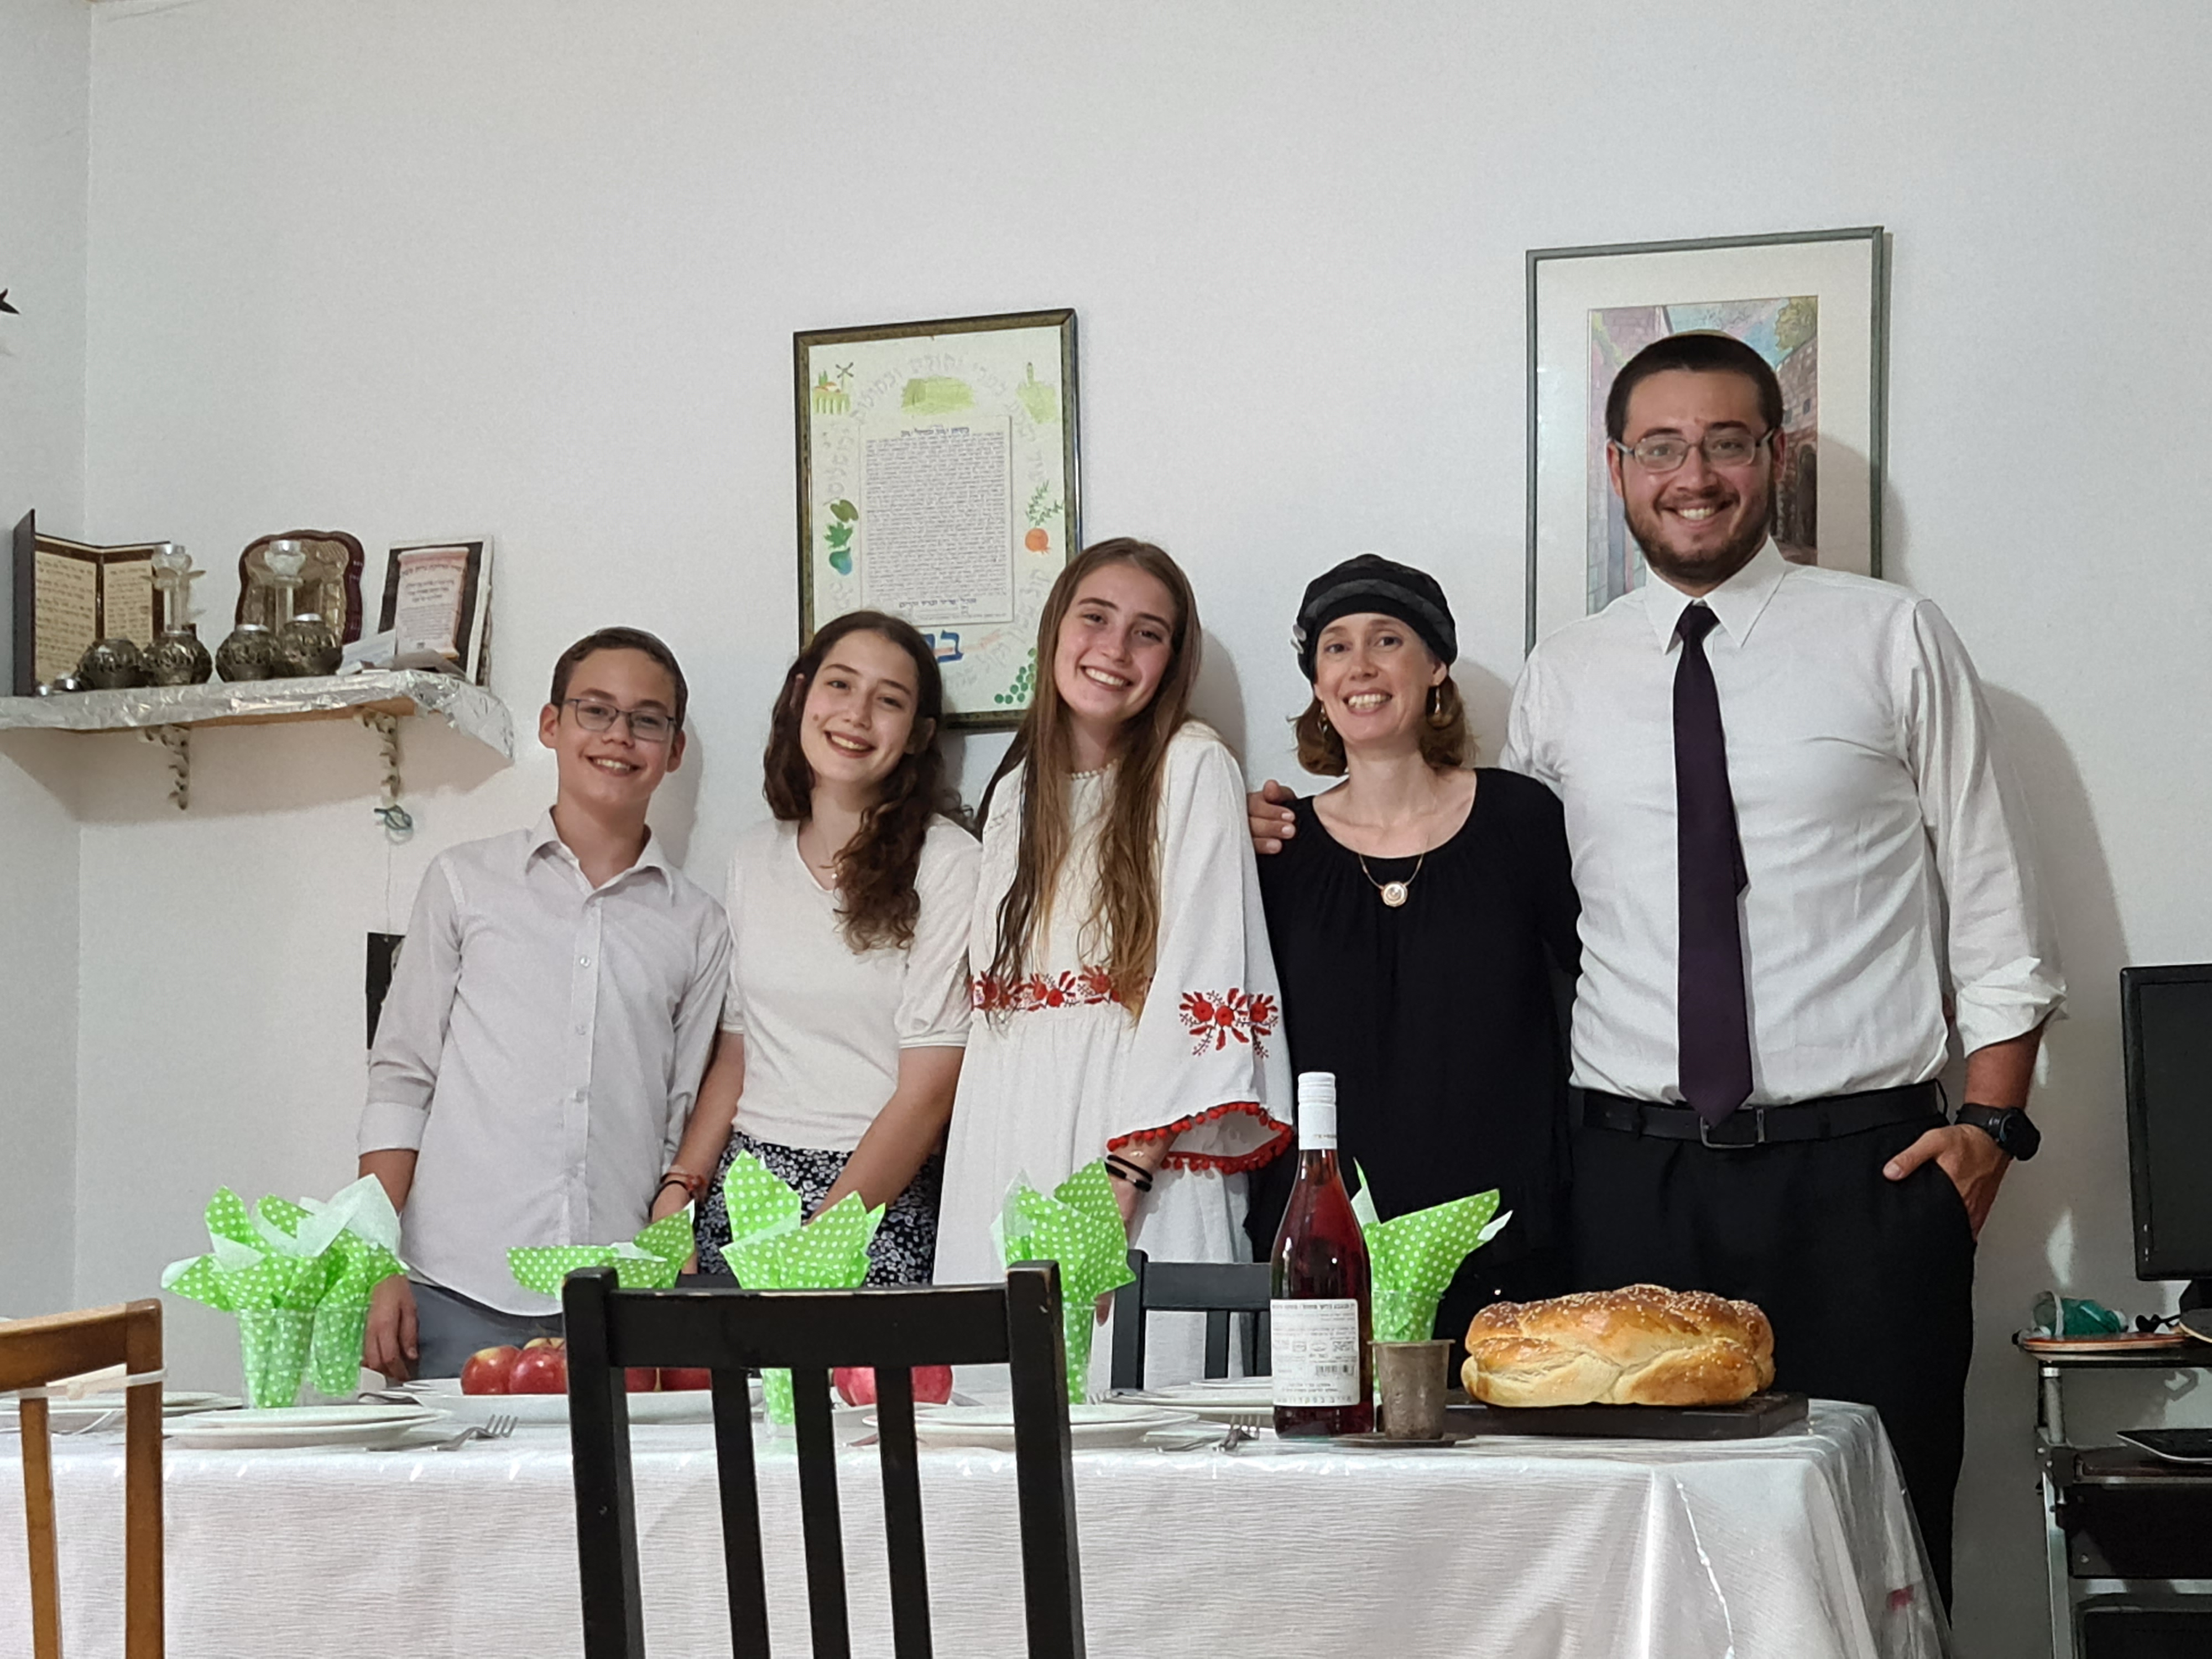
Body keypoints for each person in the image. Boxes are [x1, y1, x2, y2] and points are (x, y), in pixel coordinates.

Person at [1256, 331, 2060, 1604]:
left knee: (1880, 1557)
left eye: (1726, 442)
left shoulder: (1891, 635)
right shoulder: (1565, 674)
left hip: (1862, 1177)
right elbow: (1497, 892)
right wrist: (1289, 831)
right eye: (1662, 447)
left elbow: (1994, 894)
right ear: (1617, 469)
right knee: (1646, 1564)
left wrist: (1992, 1125)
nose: (1694, 474)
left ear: (1774, 457)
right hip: (1626, 1182)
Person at [935, 538, 1292, 1389]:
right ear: (1056, 627)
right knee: (997, 1413)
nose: (1115, 649)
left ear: (1173, 661)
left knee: (1142, 1402)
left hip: (1132, 1147)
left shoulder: (1193, 767)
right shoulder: (1015, 791)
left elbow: (1205, 969)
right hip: (1006, 1134)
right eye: (1095, 618)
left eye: (1148, 633)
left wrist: (1127, 1173)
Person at [359, 627, 733, 1380]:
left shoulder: (698, 924)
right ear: (551, 725)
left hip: (619, 1291)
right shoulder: (465, 883)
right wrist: (374, 1258)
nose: (619, 736)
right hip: (455, 1284)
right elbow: (402, 1078)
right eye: (596, 710)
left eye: (647, 720)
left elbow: (680, 1108)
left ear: (674, 750)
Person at [1245, 556, 1580, 1357]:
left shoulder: (1522, 820)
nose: (1360, 666)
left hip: (1509, 1244)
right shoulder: (1276, 848)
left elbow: (1596, 991)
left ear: (1435, 666)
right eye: (1336, 647)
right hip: (1329, 1249)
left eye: (1387, 640)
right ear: (1317, 684)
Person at [653, 610, 979, 1284]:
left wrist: (821, 1244)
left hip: (875, 1201)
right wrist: (680, 1188)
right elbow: (740, 1048)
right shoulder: (753, 855)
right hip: (745, 1191)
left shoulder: (949, 864)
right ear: (801, 695)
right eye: (840, 685)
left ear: (918, 736)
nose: (856, 714)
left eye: (889, 700)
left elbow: (928, 1094)